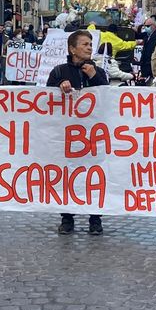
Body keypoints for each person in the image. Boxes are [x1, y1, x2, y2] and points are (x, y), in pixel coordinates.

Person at [46, 30, 108, 235]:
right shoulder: (59, 71)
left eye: (90, 44)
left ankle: (95, 219)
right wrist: (58, 87)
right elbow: (45, 101)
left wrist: (93, 76)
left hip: (93, 136)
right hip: (67, 136)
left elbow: (108, 98)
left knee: (94, 176)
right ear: (72, 49)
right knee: (67, 176)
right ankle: (67, 218)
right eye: (84, 44)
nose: (90, 47)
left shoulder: (98, 72)